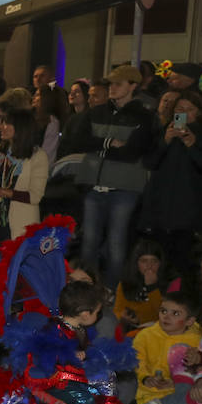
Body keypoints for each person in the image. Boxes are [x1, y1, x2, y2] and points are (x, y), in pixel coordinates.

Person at [59, 63, 155, 289]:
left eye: (118, 84)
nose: (112, 88)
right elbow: (78, 141)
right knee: (90, 243)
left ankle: (110, 290)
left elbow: (133, 151)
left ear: (132, 86)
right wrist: (109, 143)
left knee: (115, 244)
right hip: (95, 185)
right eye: (111, 83)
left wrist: (99, 147)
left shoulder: (143, 115)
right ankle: (87, 289)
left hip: (124, 188)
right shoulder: (98, 112)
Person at [24, 281, 110, 404]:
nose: (99, 316)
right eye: (97, 313)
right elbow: (47, 357)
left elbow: (86, 349)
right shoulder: (53, 330)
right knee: (84, 399)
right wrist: (71, 355)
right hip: (51, 380)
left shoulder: (79, 328)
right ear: (85, 314)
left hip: (70, 376)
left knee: (100, 390)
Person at [139, 88, 202, 276]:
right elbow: (149, 162)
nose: (182, 113)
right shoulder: (163, 131)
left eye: (188, 109)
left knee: (184, 259)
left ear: (198, 112)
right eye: (179, 108)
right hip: (161, 206)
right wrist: (165, 141)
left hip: (189, 209)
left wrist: (192, 145)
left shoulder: (201, 135)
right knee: (161, 257)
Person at [126, 291, 202, 404]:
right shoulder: (145, 335)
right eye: (163, 311)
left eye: (175, 313)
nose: (166, 317)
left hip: (181, 392)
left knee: (182, 351)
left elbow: (198, 372)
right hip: (148, 394)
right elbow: (137, 360)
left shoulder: (197, 341)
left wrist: (175, 381)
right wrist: (146, 378)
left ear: (189, 321)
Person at [0, 106, 47, 242]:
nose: (2, 127)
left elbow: (35, 196)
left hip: (22, 223)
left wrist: (4, 192)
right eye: (2, 122)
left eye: (7, 123)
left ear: (21, 128)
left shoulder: (38, 156)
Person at [114, 240, 165, 336]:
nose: (149, 266)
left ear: (160, 264)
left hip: (157, 331)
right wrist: (125, 317)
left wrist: (152, 288)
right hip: (131, 330)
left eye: (154, 261)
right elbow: (117, 309)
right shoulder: (125, 283)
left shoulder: (169, 283)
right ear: (136, 264)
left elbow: (164, 313)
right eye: (144, 261)